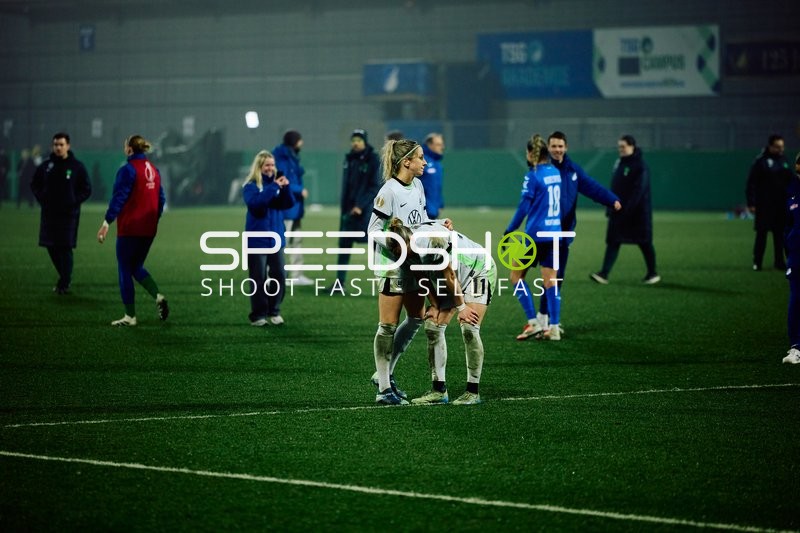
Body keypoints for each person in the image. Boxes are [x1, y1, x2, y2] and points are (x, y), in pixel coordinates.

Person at [522, 131, 621, 338]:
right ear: (548, 148)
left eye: (560, 146)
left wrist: (611, 199)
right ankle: (543, 321)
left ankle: (544, 320)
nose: (557, 149)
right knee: (545, 277)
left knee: (555, 278)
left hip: (563, 234)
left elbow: (591, 186)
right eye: (554, 146)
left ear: (566, 148)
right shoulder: (544, 170)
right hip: (542, 234)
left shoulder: (572, 170)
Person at [368, 138, 440, 405]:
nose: (424, 162)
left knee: (416, 318)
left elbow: (418, 223)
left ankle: (382, 375)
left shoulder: (418, 185)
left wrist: (438, 223)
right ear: (406, 162)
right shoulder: (389, 191)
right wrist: (395, 244)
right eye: (420, 157)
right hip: (392, 265)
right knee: (387, 326)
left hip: (413, 262)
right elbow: (373, 230)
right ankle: (384, 389)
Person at [390, 220, 488, 405]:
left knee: (469, 326)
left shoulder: (431, 243)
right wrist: (434, 304)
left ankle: (472, 392)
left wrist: (461, 308)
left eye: (402, 252)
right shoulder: (402, 252)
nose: (401, 256)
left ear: (409, 241)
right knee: (432, 326)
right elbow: (421, 276)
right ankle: (438, 391)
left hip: (477, 269)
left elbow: (449, 275)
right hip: (454, 276)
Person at [97, 135, 168, 326]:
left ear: (129, 149)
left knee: (124, 269)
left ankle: (130, 316)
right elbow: (161, 200)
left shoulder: (127, 170)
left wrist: (106, 223)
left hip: (130, 228)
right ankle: (158, 296)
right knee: (136, 267)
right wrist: (154, 219)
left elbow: (119, 198)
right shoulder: (154, 170)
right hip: (149, 228)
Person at [504, 134, 563, 341]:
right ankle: (554, 328)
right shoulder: (555, 172)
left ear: (531, 153)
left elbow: (523, 207)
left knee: (515, 277)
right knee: (551, 282)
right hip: (554, 234)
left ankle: (533, 322)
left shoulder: (533, 175)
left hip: (535, 236)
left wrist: (510, 229)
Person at [590, 135, 659, 285]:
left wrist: (626, 210)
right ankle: (604, 273)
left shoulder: (640, 166)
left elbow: (638, 192)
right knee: (614, 241)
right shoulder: (619, 163)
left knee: (644, 242)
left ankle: (652, 273)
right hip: (619, 210)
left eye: (623, 146)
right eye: (619, 147)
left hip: (637, 214)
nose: (620, 149)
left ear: (632, 147)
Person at [31, 132, 92, 294]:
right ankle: (64, 278)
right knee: (51, 246)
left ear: (68, 146)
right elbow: (34, 184)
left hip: (68, 215)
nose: (58, 147)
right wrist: (42, 198)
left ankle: (64, 282)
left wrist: (73, 201)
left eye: (61, 144)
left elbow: (86, 189)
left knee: (65, 247)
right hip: (49, 214)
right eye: (56, 144)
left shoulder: (77, 166)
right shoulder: (46, 166)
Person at [242, 150, 295, 326]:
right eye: (267, 165)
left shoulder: (276, 186)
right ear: (259, 167)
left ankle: (274, 310)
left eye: (272, 165)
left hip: (276, 239)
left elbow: (288, 204)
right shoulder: (250, 186)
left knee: (279, 275)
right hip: (257, 240)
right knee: (258, 278)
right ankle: (258, 315)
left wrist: (285, 188)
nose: (271, 168)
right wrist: (274, 188)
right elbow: (256, 204)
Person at [333, 129, 381, 287]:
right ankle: (339, 282)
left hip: (365, 211)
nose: (355, 142)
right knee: (344, 246)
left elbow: (374, 187)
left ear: (365, 142)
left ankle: (384, 282)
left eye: (359, 140)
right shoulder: (349, 159)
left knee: (376, 246)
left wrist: (360, 205)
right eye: (353, 139)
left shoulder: (373, 159)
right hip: (348, 212)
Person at [746, 134, 793, 271]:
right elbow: (751, 184)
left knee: (779, 236)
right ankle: (757, 262)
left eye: (782, 147)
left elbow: (790, 181)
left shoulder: (784, 161)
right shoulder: (761, 161)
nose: (780, 149)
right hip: (764, 205)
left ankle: (779, 262)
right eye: (778, 147)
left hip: (780, 206)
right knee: (762, 234)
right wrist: (751, 203)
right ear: (771, 146)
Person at [273, 130, 313, 286]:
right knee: (282, 241)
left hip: (294, 207)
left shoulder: (291, 156)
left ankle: (296, 275)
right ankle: (277, 274)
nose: (301, 143)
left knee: (296, 240)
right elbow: (282, 179)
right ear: (294, 142)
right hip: (286, 206)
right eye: (300, 140)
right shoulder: (281, 158)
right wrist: (298, 189)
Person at [783, 152, 800, 364]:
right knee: (796, 298)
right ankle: (796, 347)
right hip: (797, 256)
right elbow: (787, 226)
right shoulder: (792, 193)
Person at [419, 133, 445, 219]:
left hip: (434, 210)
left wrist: (440, 204)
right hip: (423, 210)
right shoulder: (421, 160)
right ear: (429, 145)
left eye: (441, 144)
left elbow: (437, 187)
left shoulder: (437, 163)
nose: (442, 147)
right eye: (438, 144)